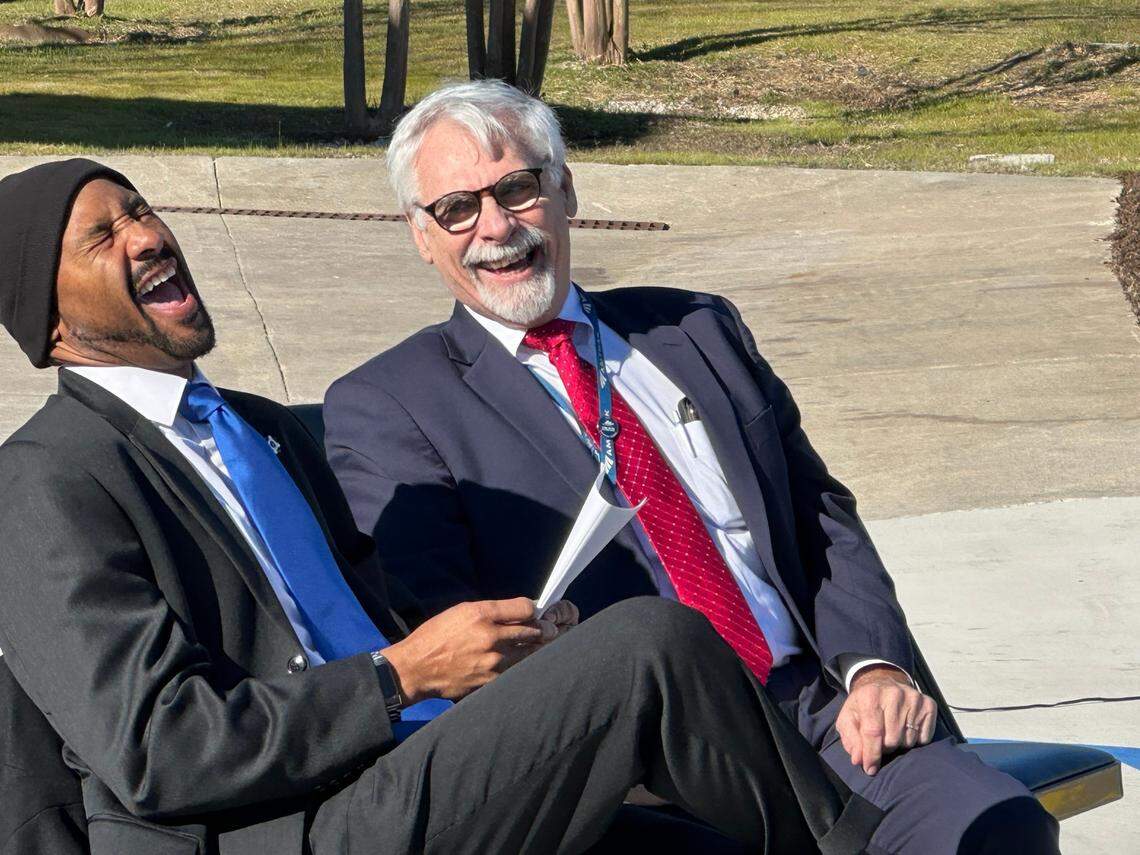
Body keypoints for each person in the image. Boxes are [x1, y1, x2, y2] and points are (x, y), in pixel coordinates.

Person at [0, 158, 882, 855]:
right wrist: (401, 676)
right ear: (50, 321)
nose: (146, 235)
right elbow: (161, 747)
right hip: (283, 825)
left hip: (411, 772)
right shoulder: (49, 479)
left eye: (141, 209)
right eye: (101, 237)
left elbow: (370, 609)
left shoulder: (264, 431)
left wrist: (516, 654)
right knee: (652, 642)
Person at [323, 80, 1061, 855]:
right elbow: (439, 628)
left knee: (995, 825)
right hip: (652, 770)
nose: (497, 227)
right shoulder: (389, 406)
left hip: (828, 713)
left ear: (567, 189)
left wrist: (875, 669)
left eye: (518, 187)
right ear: (420, 233)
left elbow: (820, 517)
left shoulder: (696, 329)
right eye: (457, 208)